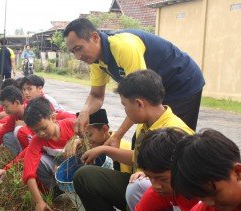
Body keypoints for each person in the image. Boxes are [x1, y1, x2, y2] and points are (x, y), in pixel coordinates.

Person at [72, 69, 193, 211]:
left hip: (163, 197)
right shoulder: (146, 123)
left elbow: (179, 184)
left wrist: (146, 178)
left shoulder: (175, 133)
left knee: (138, 188)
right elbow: (138, 159)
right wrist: (103, 149)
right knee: (85, 176)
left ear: (139, 104)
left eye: (124, 105)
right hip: (138, 189)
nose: (125, 111)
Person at [63, 18, 205, 144]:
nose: (78, 56)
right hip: (155, 90)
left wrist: (118, 135)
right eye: (73, 52)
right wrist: (85, 112)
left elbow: (140, 98)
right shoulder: (96, 61)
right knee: (142, 142)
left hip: (181, 83)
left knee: (174, 142)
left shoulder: (123, 46)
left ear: (94, 37)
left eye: (78, 48)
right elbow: (96, 96)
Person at [109, 128, 198, 211]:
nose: (155, 185)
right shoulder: (160, 193)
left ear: (183, 167)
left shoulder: (208, 196)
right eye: (150, 177)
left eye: (162, 179)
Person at [3, 97, 75, 211]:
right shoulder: (38, 140)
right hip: (61, 166)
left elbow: (95, 134)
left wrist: (76, 141)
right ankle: (56, 193)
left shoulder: (71, 125)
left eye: (43, 128)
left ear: (53, 118)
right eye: (36, 131)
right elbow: (29, 172)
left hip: (80, 164)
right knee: (39, 162)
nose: (41, 133)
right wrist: (39, 201)